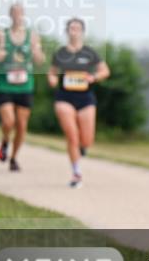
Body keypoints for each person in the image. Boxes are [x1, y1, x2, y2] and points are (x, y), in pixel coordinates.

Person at [47, 18, 110, 188]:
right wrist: (52, 79)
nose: (74, 31)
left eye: (77, 28)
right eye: (71, 28)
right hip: (64, 97)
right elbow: (52, 72)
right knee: (72, 135)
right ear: (67, 31)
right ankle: (76, 173)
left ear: (82, 32)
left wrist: (94, 77)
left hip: (85, 98)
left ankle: (82, 148)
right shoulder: (60, 53)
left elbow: (105, 71)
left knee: (87, 139)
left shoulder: (90, 52)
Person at [0, 3, 45, 172]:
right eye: (15, 13)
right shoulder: (1, 35)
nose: (18, 16)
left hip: (25, 86)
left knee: (21, 126)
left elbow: (40, 60)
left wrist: (37, 53)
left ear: (23, 15)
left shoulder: (32, 36)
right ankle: (5, 140)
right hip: (4, 84)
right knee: (8, 121)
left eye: (20, 13)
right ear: (10, 15)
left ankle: (14, 158)